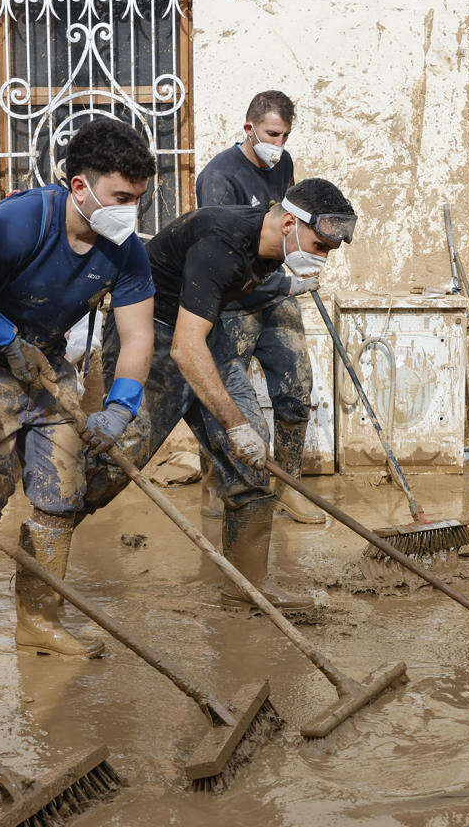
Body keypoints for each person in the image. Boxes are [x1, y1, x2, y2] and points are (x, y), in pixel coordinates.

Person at [0, 118, 157, 660]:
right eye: (120, 197)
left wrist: (120, 406)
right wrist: (6, 340)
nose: (129, 211)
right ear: (79, 187)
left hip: (45, 365)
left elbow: (138, 335)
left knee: (62, 494)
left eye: (137, 198)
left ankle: (38, 620)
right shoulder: (21, 222)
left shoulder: (125, 249)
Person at [82, 179, 357, 612]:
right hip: (150, 332)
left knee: (252, 459)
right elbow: (184, 350)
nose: (322, 258)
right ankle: (43, 551)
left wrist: (243, 430)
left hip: (205, 333)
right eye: (320, 246)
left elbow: (202, 334)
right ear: (289, 222)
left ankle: (246, 590)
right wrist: (235, 423)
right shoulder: (221, 244)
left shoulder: (270, 248)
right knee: (119, 457)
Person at [194, 90, 325, 524]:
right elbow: (221, 256)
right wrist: (285, 282)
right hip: (234, 301)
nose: (279, 143)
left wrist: (302, 261)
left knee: (296, 389)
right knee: (228, 395)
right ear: (249, 129)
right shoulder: (218, 176)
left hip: (275, 290)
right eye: (272, 133)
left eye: (285, 135)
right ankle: (219, 479)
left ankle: (288, 486)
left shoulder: (282, 163)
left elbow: (289, 223)